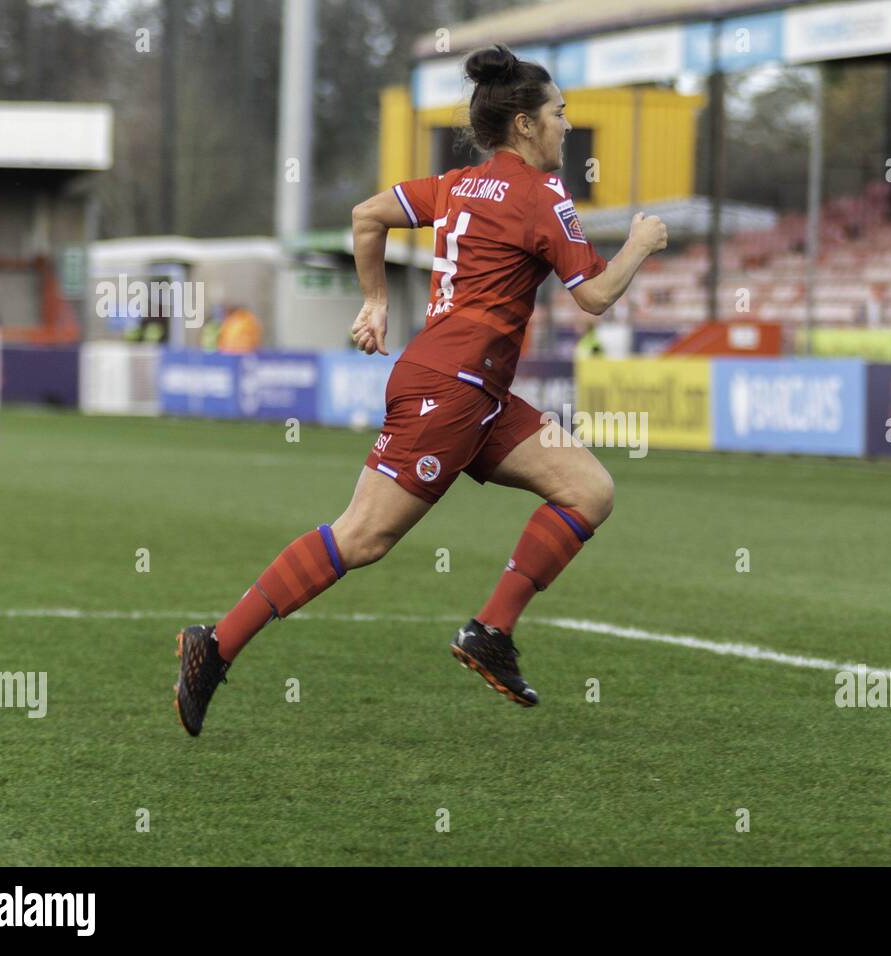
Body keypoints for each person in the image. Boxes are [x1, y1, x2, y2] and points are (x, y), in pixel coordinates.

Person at [173, 44, 669, 734]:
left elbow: (366, 214)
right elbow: (593, 295)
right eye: (559, 113)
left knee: (588, 490)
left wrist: (376, 301)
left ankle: (490, 632)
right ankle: (216, 644)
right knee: (364, 537)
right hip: (451, 389)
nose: (566, 125)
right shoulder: (540, 192)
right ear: (525, 125)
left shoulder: (460, 185)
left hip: (475, 393)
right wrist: (641, 241)